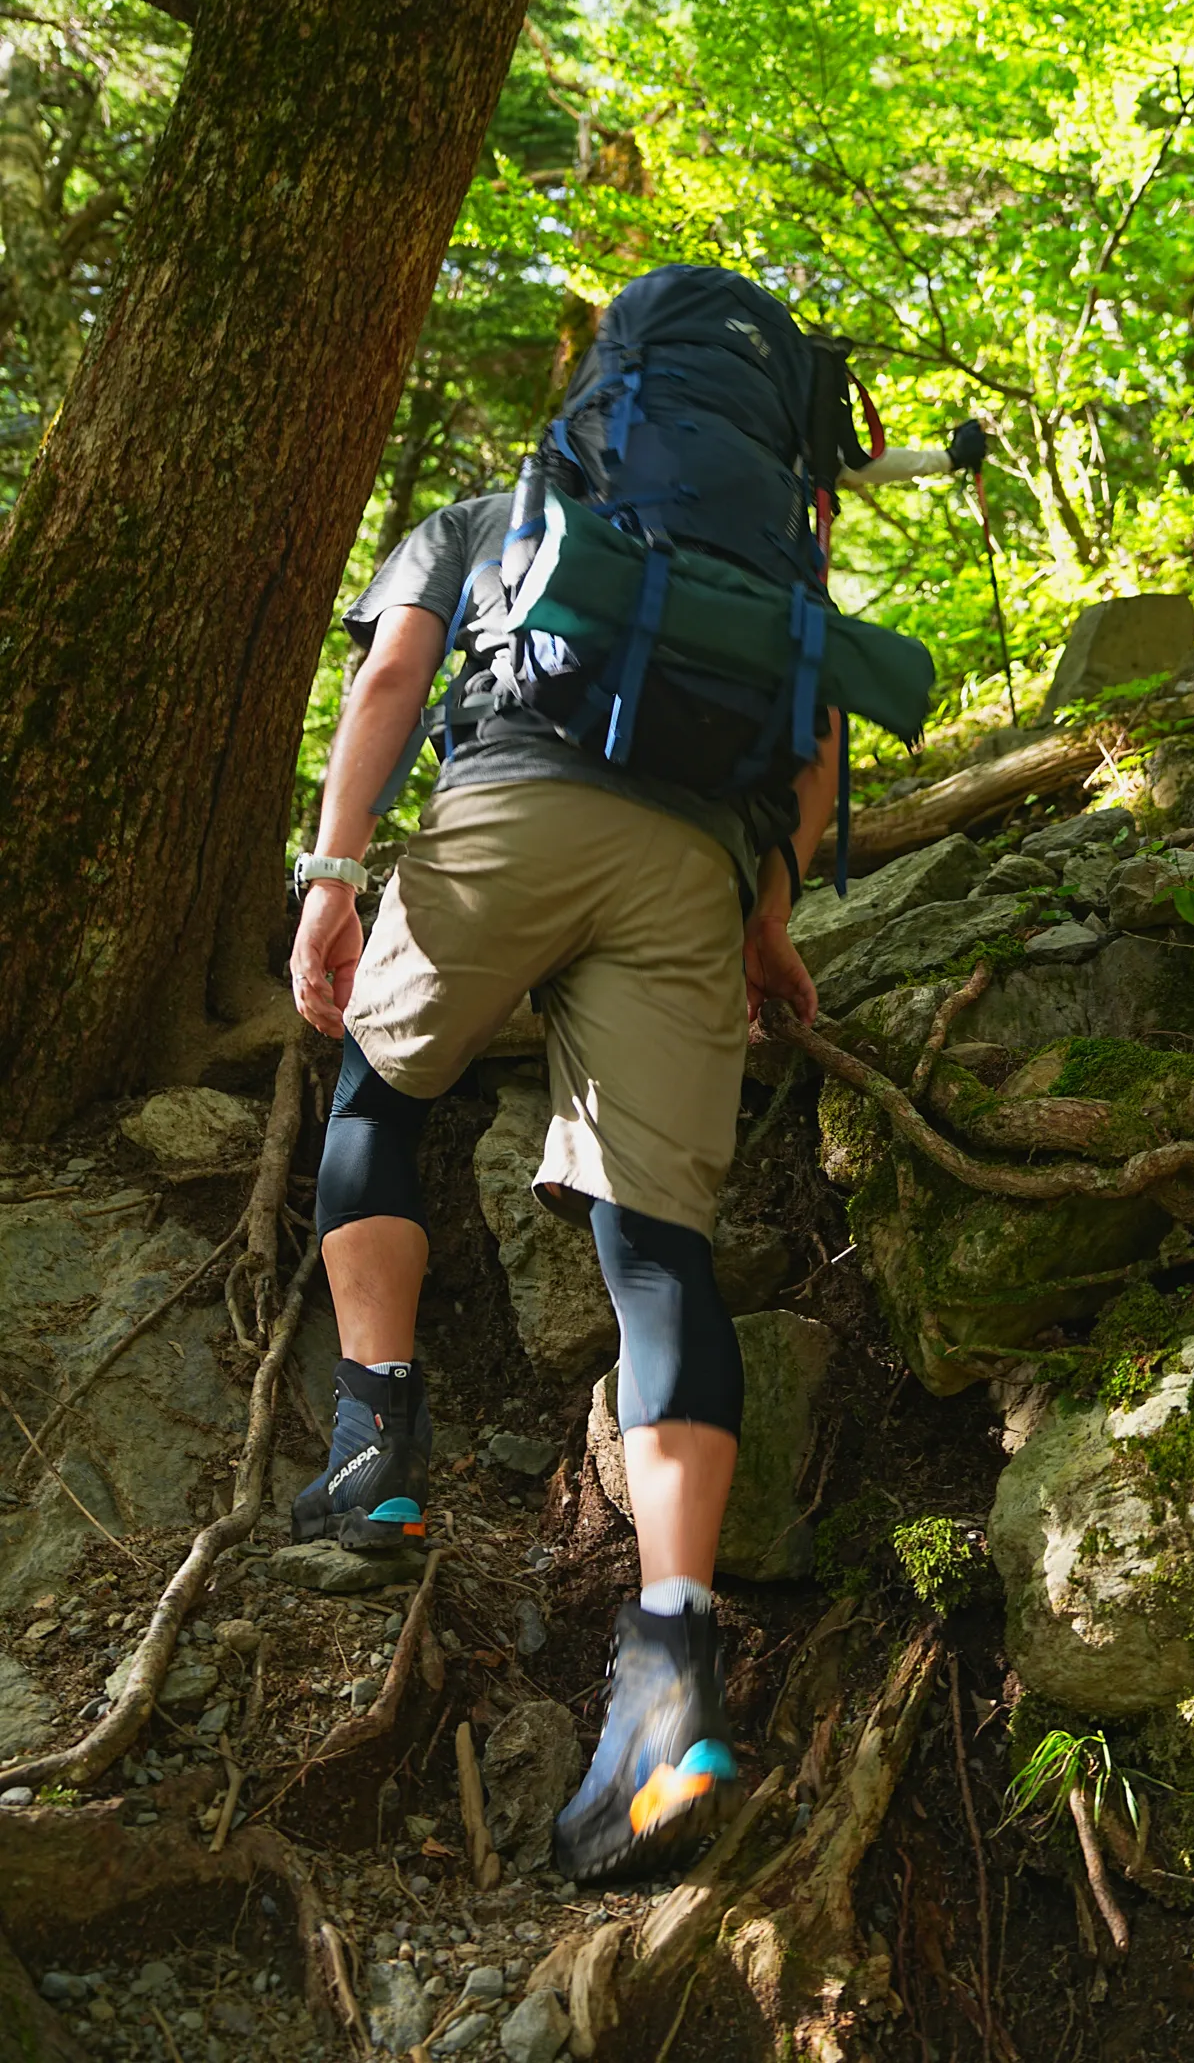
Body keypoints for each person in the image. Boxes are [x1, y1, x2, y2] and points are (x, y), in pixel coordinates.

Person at [287, 266, 852, 1889]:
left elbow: (391, 680)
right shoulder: (768, 554)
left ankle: (373, 1449)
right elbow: (809, 761)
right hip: (691, 866)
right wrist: (767, 915)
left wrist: (334, 875)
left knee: (379, 1097)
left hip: (507, 814)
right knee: (657, 1250)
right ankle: (673, 1667)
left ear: (596, 385)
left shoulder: (495, 513)